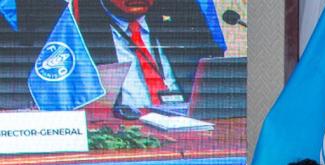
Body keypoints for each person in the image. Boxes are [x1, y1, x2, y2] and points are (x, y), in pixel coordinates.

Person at [73, 0, 224, 109]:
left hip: (186, 126)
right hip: (121, 130)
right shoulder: (75, 23)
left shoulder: (182, 12)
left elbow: (215, 82)